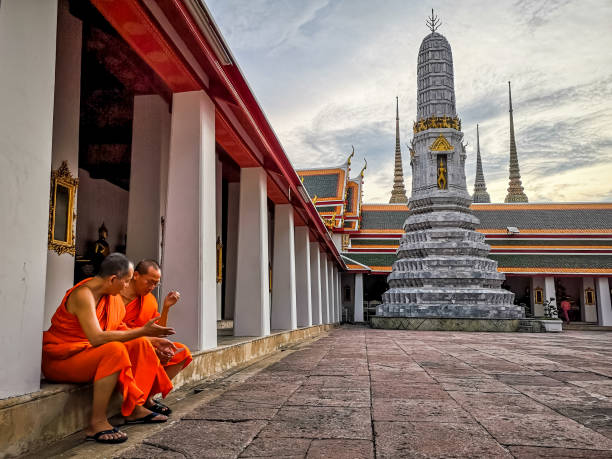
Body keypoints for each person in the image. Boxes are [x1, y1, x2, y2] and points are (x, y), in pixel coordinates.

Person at [42, 253, 175, 444]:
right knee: (115, 350)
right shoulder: (83, 295)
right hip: (62, 359)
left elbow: (118, 328)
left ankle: (135, 407)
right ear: (113, 279)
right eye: (127, 281)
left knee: (140, 343)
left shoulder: (110, 299)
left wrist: (151, 339)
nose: (127, 287)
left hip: (86, 354)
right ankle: (96, 421)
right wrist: (142, 331)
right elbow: (97, 338)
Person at [121, 260, 193, 415]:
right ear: (136, 275)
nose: (152, 287)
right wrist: (152, 344)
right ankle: (138, 403)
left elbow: (156, 331)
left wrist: (166, 307)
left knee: (181, 352)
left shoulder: (149, 300)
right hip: (124, 343)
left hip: (145, 342)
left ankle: (148, 397)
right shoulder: (117, 295)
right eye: (149, 282)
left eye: (156, 284)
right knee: (145, 348)